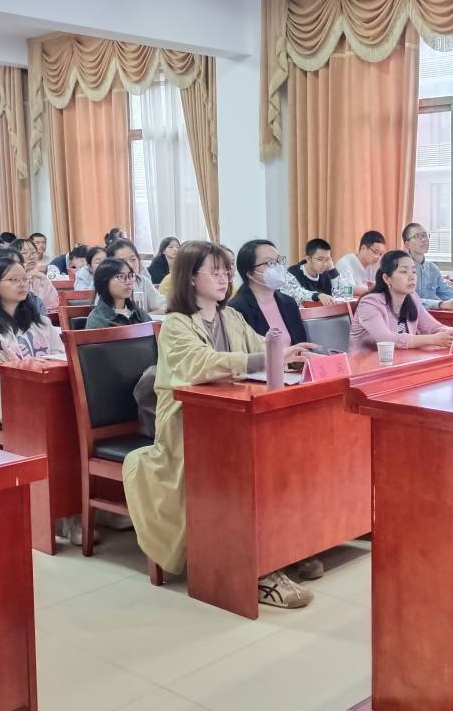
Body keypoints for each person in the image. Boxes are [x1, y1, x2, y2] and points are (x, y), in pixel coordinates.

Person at [123, 241, 315, 607]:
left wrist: (285, 355)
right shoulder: (177, 324)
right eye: (215, 272)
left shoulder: (231, 317)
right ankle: (253, 567)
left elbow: (260, 348)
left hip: (230, 414)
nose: (224, 278)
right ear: (190, 278)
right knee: (247, 465)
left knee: (285, 452)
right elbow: (202, 363)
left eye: (226, 271)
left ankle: (286, 547)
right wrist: (264, 357)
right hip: (189, 425)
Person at [0, 255, 64, 428]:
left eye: (25, 279)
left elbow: (60, 356)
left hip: (47, 392)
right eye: (14, 280)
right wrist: (34, 378)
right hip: (7, 403)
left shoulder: (40, 322)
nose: (22, 284)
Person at [350, 250, 453, 352]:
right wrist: (432, 339)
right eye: (404, 272)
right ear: (387, 278)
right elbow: (386, 339)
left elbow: (434, 328)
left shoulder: (412, 297)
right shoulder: (369, 303)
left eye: (414, 271)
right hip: (366, 362)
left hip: (402, 359)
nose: (411, 277)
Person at [230, 239, 310, 345]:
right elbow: (243, 352)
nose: (278, 267)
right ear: (250, 273)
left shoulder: (289, 302)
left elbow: (301, 344)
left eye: (278, 261)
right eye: (270, 263)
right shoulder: (236, 310)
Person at [402, 222, 453, 310]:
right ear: (407, 244)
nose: (424, 239)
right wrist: (439, 304)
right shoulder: (401, 268)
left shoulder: (432, 268)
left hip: (430, 316)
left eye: (425, 235)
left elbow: (449, 294)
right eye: (418, 236)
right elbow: (407, 300)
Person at [86, 258, 153, 329]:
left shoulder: (137, 312)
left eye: (130, 276)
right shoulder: (97, 320)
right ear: (104, 281)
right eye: (121, 276)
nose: (129, 281)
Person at [107, 239, 165, 313]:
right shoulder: (108, 286)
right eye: (122, 261)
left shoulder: (142, 281)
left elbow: (164, 305)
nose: (130, 265)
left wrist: (146, 316)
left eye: (133, 259)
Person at [14, 238, 60, 312]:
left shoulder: (38, 277)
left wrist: (43, 278)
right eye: (25, 253)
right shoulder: (11, 279)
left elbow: (52, 304)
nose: (31, 257)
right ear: (14, 256)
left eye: (33, 252)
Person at [336, 231, 387, 297]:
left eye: (381, 254)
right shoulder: (345, 264)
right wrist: (369, 289)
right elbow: (343, 290)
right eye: (375, 252)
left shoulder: (376, 265)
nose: (378, 257)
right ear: (363, 248)